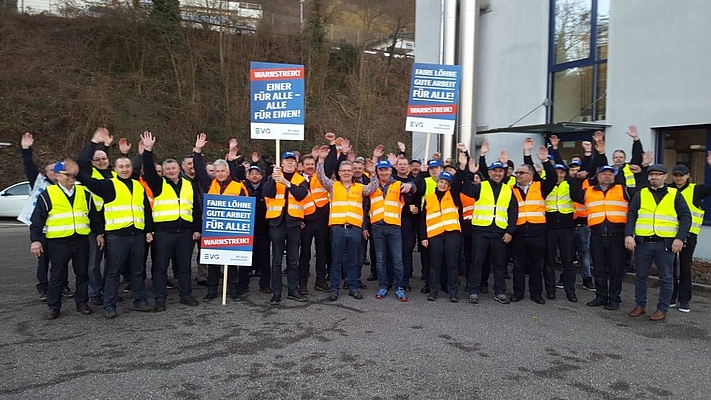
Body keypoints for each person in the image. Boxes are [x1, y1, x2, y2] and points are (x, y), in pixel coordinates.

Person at [78, 128, 153, 318]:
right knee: (113, 271)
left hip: (137, 235)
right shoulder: (107, 185)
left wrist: (149, 230)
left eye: (128, 166)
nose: (125, 169)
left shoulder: (137, 185)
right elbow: (82, 168)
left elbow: (146, 210)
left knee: (137, 271)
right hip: (117, 236)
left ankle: (140, 300)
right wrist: (95, 142)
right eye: (121, 167)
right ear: (115, 169)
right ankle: (109, 305)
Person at [29, 159, 101, 319]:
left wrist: (99, 233)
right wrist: (35, 240)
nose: (70, 177)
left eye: (73, 175)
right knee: (57, 276)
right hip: (58, 242)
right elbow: (37, 220)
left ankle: (82, 303)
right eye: (66, 174)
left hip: (81, 241)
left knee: (82, 273)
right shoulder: (48, 194)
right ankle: (54, 306)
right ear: (57, 176)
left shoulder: (85, 194)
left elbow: (94, 217)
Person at [140, 132, 202, 311]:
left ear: (179, 169)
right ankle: (160, 299)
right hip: (163, 232)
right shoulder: (158, 184)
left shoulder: (189, 185)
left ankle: (186, 295)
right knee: (160, 267)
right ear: (164, 172)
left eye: (173, 168)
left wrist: (197, 229)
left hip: (185, 232)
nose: (171, 171)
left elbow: (196, 209)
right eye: (167, 169)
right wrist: (148, 150)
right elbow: (149, 170)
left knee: (185, 267)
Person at [625, 164, 691, 321]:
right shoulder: (641, 194)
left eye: (658, 174)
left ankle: (662, 309)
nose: (654, 177)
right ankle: (640, 305)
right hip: (643, 243)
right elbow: (632, 215)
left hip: (665, 244)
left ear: (665, 177)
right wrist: (628, 235)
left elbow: (686, 217)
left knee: (666, 277)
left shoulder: (674, 194)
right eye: (652, 174)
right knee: (640, 276)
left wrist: (679, 238)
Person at [570, 165, 639, 310]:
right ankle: (601, 296)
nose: (607, 176)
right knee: (599, 268)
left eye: (610, 174)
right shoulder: (589, 191)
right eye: (604, 173)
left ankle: (614, 298)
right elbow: (574, 194)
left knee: (616, 269)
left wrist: (640, 172)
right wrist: (578, 179)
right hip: (597, 235)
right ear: (598, 176)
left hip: (617, 235)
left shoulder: (623, 189)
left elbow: (641, 192)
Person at [192, 134, 249, 302]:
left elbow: (246, 208)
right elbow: (201, 170)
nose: (220, 173)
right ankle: (212, 290)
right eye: (217, 171)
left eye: (223, 170)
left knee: (231, 262)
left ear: (228, 171)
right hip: (213, 230)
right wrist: (197, 151)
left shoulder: (238, 186)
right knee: (214, 262)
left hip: (232, 230)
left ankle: (233, 290)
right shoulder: (211, 185)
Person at [19, 132, 72, 302]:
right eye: (50, 170)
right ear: (46, 173)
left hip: (59, 231)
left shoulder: (67, 187)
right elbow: (29, 166)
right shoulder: (38, 182)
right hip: (42, 230)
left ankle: (63, 285)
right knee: (43, 262)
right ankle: (43, 288)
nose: (54, 173)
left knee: (61, 261)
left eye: (56, 170)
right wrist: (26, 150)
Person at [461, 158, 517, 305]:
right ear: (490, 173)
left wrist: (510, 231)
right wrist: (469, 173)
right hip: (481, 230)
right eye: (495, 171)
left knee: (499, 264)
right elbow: (466, 190)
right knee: (476, 262)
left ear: (504, 173)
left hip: (499, 231)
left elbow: (513, 212)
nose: (497, 174)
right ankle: (474, 290)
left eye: (500, 171)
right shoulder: (481, 186)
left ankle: (500, 291)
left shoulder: (508, 190)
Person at [315, 148, 367, 300]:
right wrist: (321, 160)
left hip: (355, 229)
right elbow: (320, 176)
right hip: (338, 229)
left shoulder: (361, 188)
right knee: (336, 261)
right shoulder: (332, 186)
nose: (346, 173)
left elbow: (373, 187)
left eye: (349, 170)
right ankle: (334, 288)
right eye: (343, 170)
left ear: (353, 172)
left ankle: (353, 287)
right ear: (339, 172)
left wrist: (374, 171)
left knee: (354, 260)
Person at [509, 142, 557, 304]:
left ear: (530, 174)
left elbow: (553, 177)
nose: (518, 175)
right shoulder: (512, 190)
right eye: (517, 173)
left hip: (537, 233)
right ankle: (518, 293)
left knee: (537, 266)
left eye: (521, 173)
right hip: (519, 233)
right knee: (518, 266)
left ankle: (536, 294)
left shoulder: (540, 187)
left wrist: (544, 161)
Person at [363, 159, 416, 301]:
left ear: (391, 171)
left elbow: (413, 188)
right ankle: (383, 286)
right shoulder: (372, 187)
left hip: (394, 227)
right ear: (377, 171)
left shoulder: (398, 185)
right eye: (381, 170)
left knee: (397, 259)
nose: (384, 172)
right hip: (377, 227)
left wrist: (410, 185)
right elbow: (366, 207)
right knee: (380, 259)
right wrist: (364, 226)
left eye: (386, 169)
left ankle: (399, 287)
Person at [263, 151, 310, 304]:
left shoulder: (301, 179)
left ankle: (293, 290)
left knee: (293, 259)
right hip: (277, 223)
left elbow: (301, 195)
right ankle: (276, 292)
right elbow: (267, 193)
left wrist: (286, 183)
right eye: (287, 161)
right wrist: (273, 179)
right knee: (276, 260)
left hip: (294, 224)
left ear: (296, 164)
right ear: (282, 163)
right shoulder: (273, 178)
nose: (290, 163)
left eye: (292, 161)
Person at [668, 159, 711, 312]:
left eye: (682, 175)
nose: (678, 178)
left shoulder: (696, 190)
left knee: (685, 268)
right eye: (676, 175)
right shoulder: (668, 190)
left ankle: (684, 300)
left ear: (688, 176)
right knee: (669, 268)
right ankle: (671, 297)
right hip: (669, 234)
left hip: (689, 235)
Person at [420, 171, 461, 302]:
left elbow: (458, 181)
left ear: (449, 185)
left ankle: (453, 292)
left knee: (452, 264)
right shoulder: (429, 198)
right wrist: (423, 237)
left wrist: (461, 165)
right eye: (441, 182)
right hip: (434, 234)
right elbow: (423, 219)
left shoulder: (453, 195)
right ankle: (433, 291)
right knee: (435, 264)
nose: (443, 185)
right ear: (437, 183)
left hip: (452, 233)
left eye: (446, 183)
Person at [543, 163, 579, 302]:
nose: (559, 175)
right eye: (556, 172)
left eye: (562, 172)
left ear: (565, 174)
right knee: (548, 261)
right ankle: (550, 290)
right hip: (549, 228)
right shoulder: (546, 186)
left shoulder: (570, 185)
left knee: (568, 262)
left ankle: (570, 292)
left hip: (567, 228)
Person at [298, 154, 330, 294]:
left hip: (322, 221)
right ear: (302, 166)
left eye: (312, 164)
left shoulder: (321, 178)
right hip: (306, 223)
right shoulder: (297, 180)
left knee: (322, 252)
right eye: (307, 164)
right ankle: (302, 283)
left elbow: (333, 163)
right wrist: (298, 219)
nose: (310, 167)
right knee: (304, 254)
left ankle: (320, 280)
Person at [244, 164, 271, 293]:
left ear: (261, 176)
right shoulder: (243, 189)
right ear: (248, 176)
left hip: (263, 229)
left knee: (265, 258)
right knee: (244, 258)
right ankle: (243, 284)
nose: (254, 176)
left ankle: (265, 284)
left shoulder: (266, 188)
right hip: (246, 229)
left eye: (257, 173)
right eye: (252, 173)